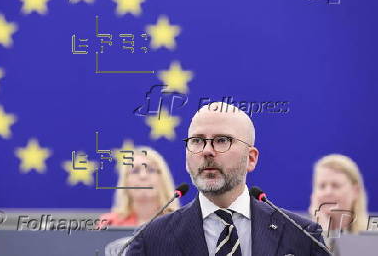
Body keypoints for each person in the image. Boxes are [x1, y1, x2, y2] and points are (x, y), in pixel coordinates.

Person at [127, 102, 330, 256]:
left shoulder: (302, 235)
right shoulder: (150, 240)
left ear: (251, 159)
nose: (207, 151)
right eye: (197, 141)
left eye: (222, 140)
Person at [99, 146, 179, 227]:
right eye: (135, 171)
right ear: (125, 182)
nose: (143, 176)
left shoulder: (180, 222)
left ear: (163, 179)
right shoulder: (109, 223)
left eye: (151, 170)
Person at [309, 154, 369, 250]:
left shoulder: (371, 240)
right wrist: (322, 231)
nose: (328, 192)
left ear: (355, 191)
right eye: (322, 186)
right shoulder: (296, 237)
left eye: (336, 185)